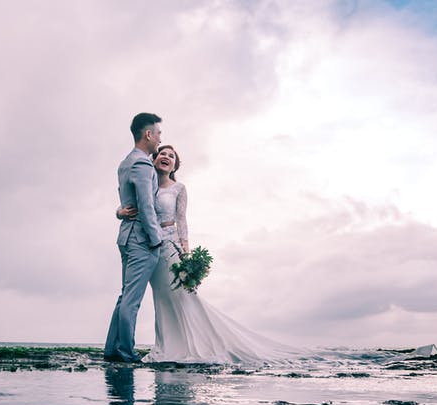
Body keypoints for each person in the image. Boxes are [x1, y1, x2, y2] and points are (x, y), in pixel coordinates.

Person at [117, 145, 300, 363]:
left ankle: (195, 346)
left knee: (181, 296)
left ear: (175, 165)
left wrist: (186, 254)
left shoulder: (179, 189)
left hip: (168, 247)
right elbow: (129, 205)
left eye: (171, 156)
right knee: (161, 299)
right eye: (162, 154)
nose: (166, 157)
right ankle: (166, 345)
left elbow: (182, 221)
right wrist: (119, 211)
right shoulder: (147, 184)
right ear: (154, 160)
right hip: (146, 246)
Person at [104, 113, 165, 363]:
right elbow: (146, 204)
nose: (160, 138)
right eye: (159, 133)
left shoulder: (125, 162)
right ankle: (125, 352)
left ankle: (112, 349)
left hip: (127, 237)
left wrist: (120, 213)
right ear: (148, 134)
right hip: (141, 239)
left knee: (125, 296)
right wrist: (156, 238)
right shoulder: (142, 164)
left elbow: (127, 201)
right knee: (132, 299)